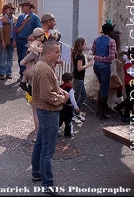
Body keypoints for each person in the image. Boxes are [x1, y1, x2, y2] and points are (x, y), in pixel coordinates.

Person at [31, 40, 69, 193]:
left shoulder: (44, 66)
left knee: (40, 143)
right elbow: (47, 95)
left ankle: (36, 173)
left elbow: (51, 87)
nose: (59, 54)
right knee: (48, 150)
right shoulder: (45, 69)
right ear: (48, 53)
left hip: (44, 111)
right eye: (57, 52)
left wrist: (61, 91)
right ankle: (48, 184)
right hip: (48, 111)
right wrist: (62, 98)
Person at [90, 22, 118, 119]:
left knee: (101, 86)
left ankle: (99, 109)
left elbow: (93, 51)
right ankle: (102, 112)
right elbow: (111, 57)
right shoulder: (111, 41)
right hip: (105, 66)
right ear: (109, 32)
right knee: (105, 88)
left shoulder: (96, 39)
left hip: (96, 65)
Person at [13, 1, 41, 82]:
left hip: (28, 41)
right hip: (19, 40)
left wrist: (33, 38)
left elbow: (38, 30)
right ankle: (22, 74)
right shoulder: (21, 17)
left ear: (29, 7)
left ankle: (25, 75)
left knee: (25, 58)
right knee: (20, 58)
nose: (22, 8)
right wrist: (14, 39)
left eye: (24, 6)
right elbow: (16, 29)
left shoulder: (35, 18)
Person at [114, 50, 134, 123]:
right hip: (129, 83)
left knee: (130, 99)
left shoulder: (132, 63)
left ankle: (119, 107)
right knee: (131, 100)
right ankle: (125, 115)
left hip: (133, 83)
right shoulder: (128, 64)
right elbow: (133, 74)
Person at [71, 37, 93, 123]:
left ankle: (77, 112)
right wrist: (89, 65)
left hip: (79, 79)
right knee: (76, 97)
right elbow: (79, 68)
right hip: (78, 79)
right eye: (85, 44)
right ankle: (73, 114)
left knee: (84, 95)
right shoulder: (79, 55)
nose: (86, 46)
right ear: (80, 45)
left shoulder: (78, 54)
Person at [0, 3, 17, 80]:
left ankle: (8, 73)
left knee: (10, 57)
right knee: (2, 57)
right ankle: (2, 73)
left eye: (12, 9)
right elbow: (1, 31)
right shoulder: (1, 20)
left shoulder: (15, 19)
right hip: (4, 40)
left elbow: (15, 31)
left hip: (12, 40)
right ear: (5, 10)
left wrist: (15, 40)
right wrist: (2, 42)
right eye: (9, 9)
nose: (11, 11)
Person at [59, 73, 81, 138]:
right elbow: (72, 99)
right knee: (68, 120)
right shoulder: (70, 89)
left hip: (61, 106)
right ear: (70, 81)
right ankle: (67, 133)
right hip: (68, 107)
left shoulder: (61, 87)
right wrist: (76, 107)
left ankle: (56, 131)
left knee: (60, 119)